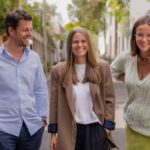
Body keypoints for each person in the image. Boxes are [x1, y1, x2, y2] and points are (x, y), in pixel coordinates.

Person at [48, 27, 116, 150]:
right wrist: (53, 133)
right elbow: (54, 104)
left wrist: (107, 127)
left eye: (83, 41)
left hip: (96, 129)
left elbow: (109, 98)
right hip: (69, 130)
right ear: (70, 45)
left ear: (88, 44)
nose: (80, 45)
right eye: (75, 42)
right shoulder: (58, 71)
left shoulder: (102, 67)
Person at [0, 9, 48, 150]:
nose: (29, 33)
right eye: (25, 30)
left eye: (31, 29)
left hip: (32, 129)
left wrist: (42, 118)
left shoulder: (34, 58)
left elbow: (40, 89)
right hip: (4, 130)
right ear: (11, 31)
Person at [111, 15, 150, 150]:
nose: (144, 39)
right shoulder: (127, 57)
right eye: (140, 35)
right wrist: (129, 79)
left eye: (149, 35)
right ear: (134, 36)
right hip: (133, 126)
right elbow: (113, 70)